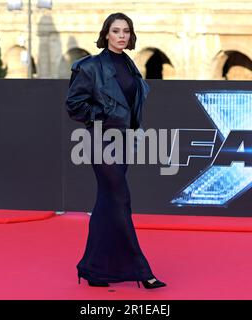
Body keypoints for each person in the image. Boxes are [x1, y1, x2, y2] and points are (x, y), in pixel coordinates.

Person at [65, 12, 166, 289]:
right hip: (101, 142)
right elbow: (74, 105)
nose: (122, 36)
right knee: (120, 201)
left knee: (107, 204)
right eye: (116, 31)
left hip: (124, 143)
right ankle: (142, 271)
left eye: (126, 31)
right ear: (106, 34)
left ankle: (95, 270)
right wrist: (104, 115)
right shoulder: (90, 67)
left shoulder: (131, 65)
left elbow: (132, 108)